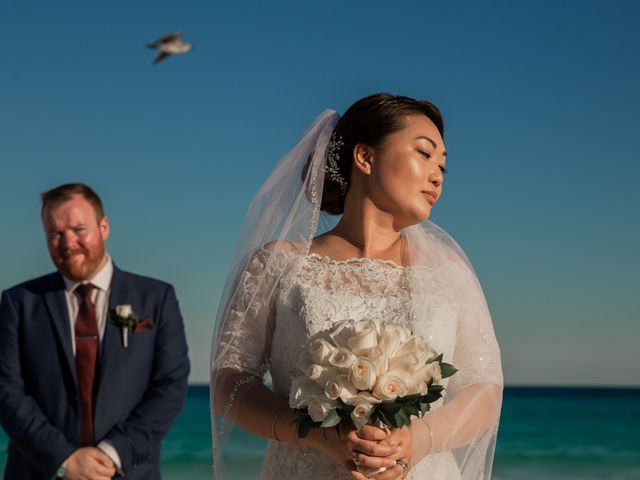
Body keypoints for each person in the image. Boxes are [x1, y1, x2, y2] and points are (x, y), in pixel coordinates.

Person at [210, 93, 503, 479]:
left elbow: (483, 388)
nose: (437, 175)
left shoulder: (447, 274)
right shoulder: (279, 265)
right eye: (424, 153)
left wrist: (419, 439)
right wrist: (313, 434)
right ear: (365, 157)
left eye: (443, 167)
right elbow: (229, 381)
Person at [0, 183, 190, 480]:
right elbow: (7, 390)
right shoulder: (18, 303)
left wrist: (112, 453)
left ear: (104, 227)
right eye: (55, 234)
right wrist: (63, 459)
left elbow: (170, 385)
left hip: (128, 472)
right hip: (38, 471)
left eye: (78, 229)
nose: (68, 242)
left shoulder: (156, 298)